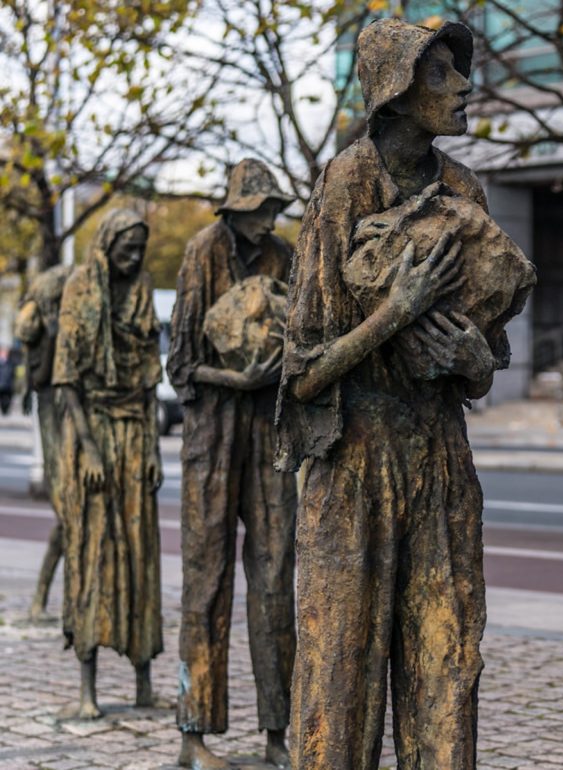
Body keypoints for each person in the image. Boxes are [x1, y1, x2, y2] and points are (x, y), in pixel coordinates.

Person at [276, 18, 532, 770]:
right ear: (395, 92)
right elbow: (302, 372)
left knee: (446, 666)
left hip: (440, 462)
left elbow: (490, 357)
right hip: (353, 461)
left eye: (457, 72)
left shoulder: (465, 190)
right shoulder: (345, 183)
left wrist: (473, 360)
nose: (461, 88)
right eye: (440, 76)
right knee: (339, 677)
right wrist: (394, 314)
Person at [168, 158, 297, 770]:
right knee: (207, 578)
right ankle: (193, 735)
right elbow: (181, 366)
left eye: (273, 209)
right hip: (212, 436)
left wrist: (279, 371)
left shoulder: (284, 256)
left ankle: (278, 732)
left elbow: (303, 336)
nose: (269, 219)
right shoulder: (202, 251)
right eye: (260, 209)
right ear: (235, 210)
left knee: (275, 581)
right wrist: (236, 378)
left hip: (268, 437)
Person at [51, 208, 164, 718]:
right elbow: (67, 378)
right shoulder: (81, 285)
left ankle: (143, 679)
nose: (134, 255)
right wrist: (91, 448)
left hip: (136, 435)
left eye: (140, 247)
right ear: (107, 241)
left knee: (141, 554)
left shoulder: (141, 288)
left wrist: (155, 449)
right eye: (127, 245)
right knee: (92, 553)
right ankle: (87, 688)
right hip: (91, 434)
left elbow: (147, 381)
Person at [15, 264, 72, 620]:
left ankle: (56, 600)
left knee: (71, 522)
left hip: (73, 419)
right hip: (56, 418)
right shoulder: (43, 324)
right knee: (67, 519)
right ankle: (45, 598)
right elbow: (39, 373)